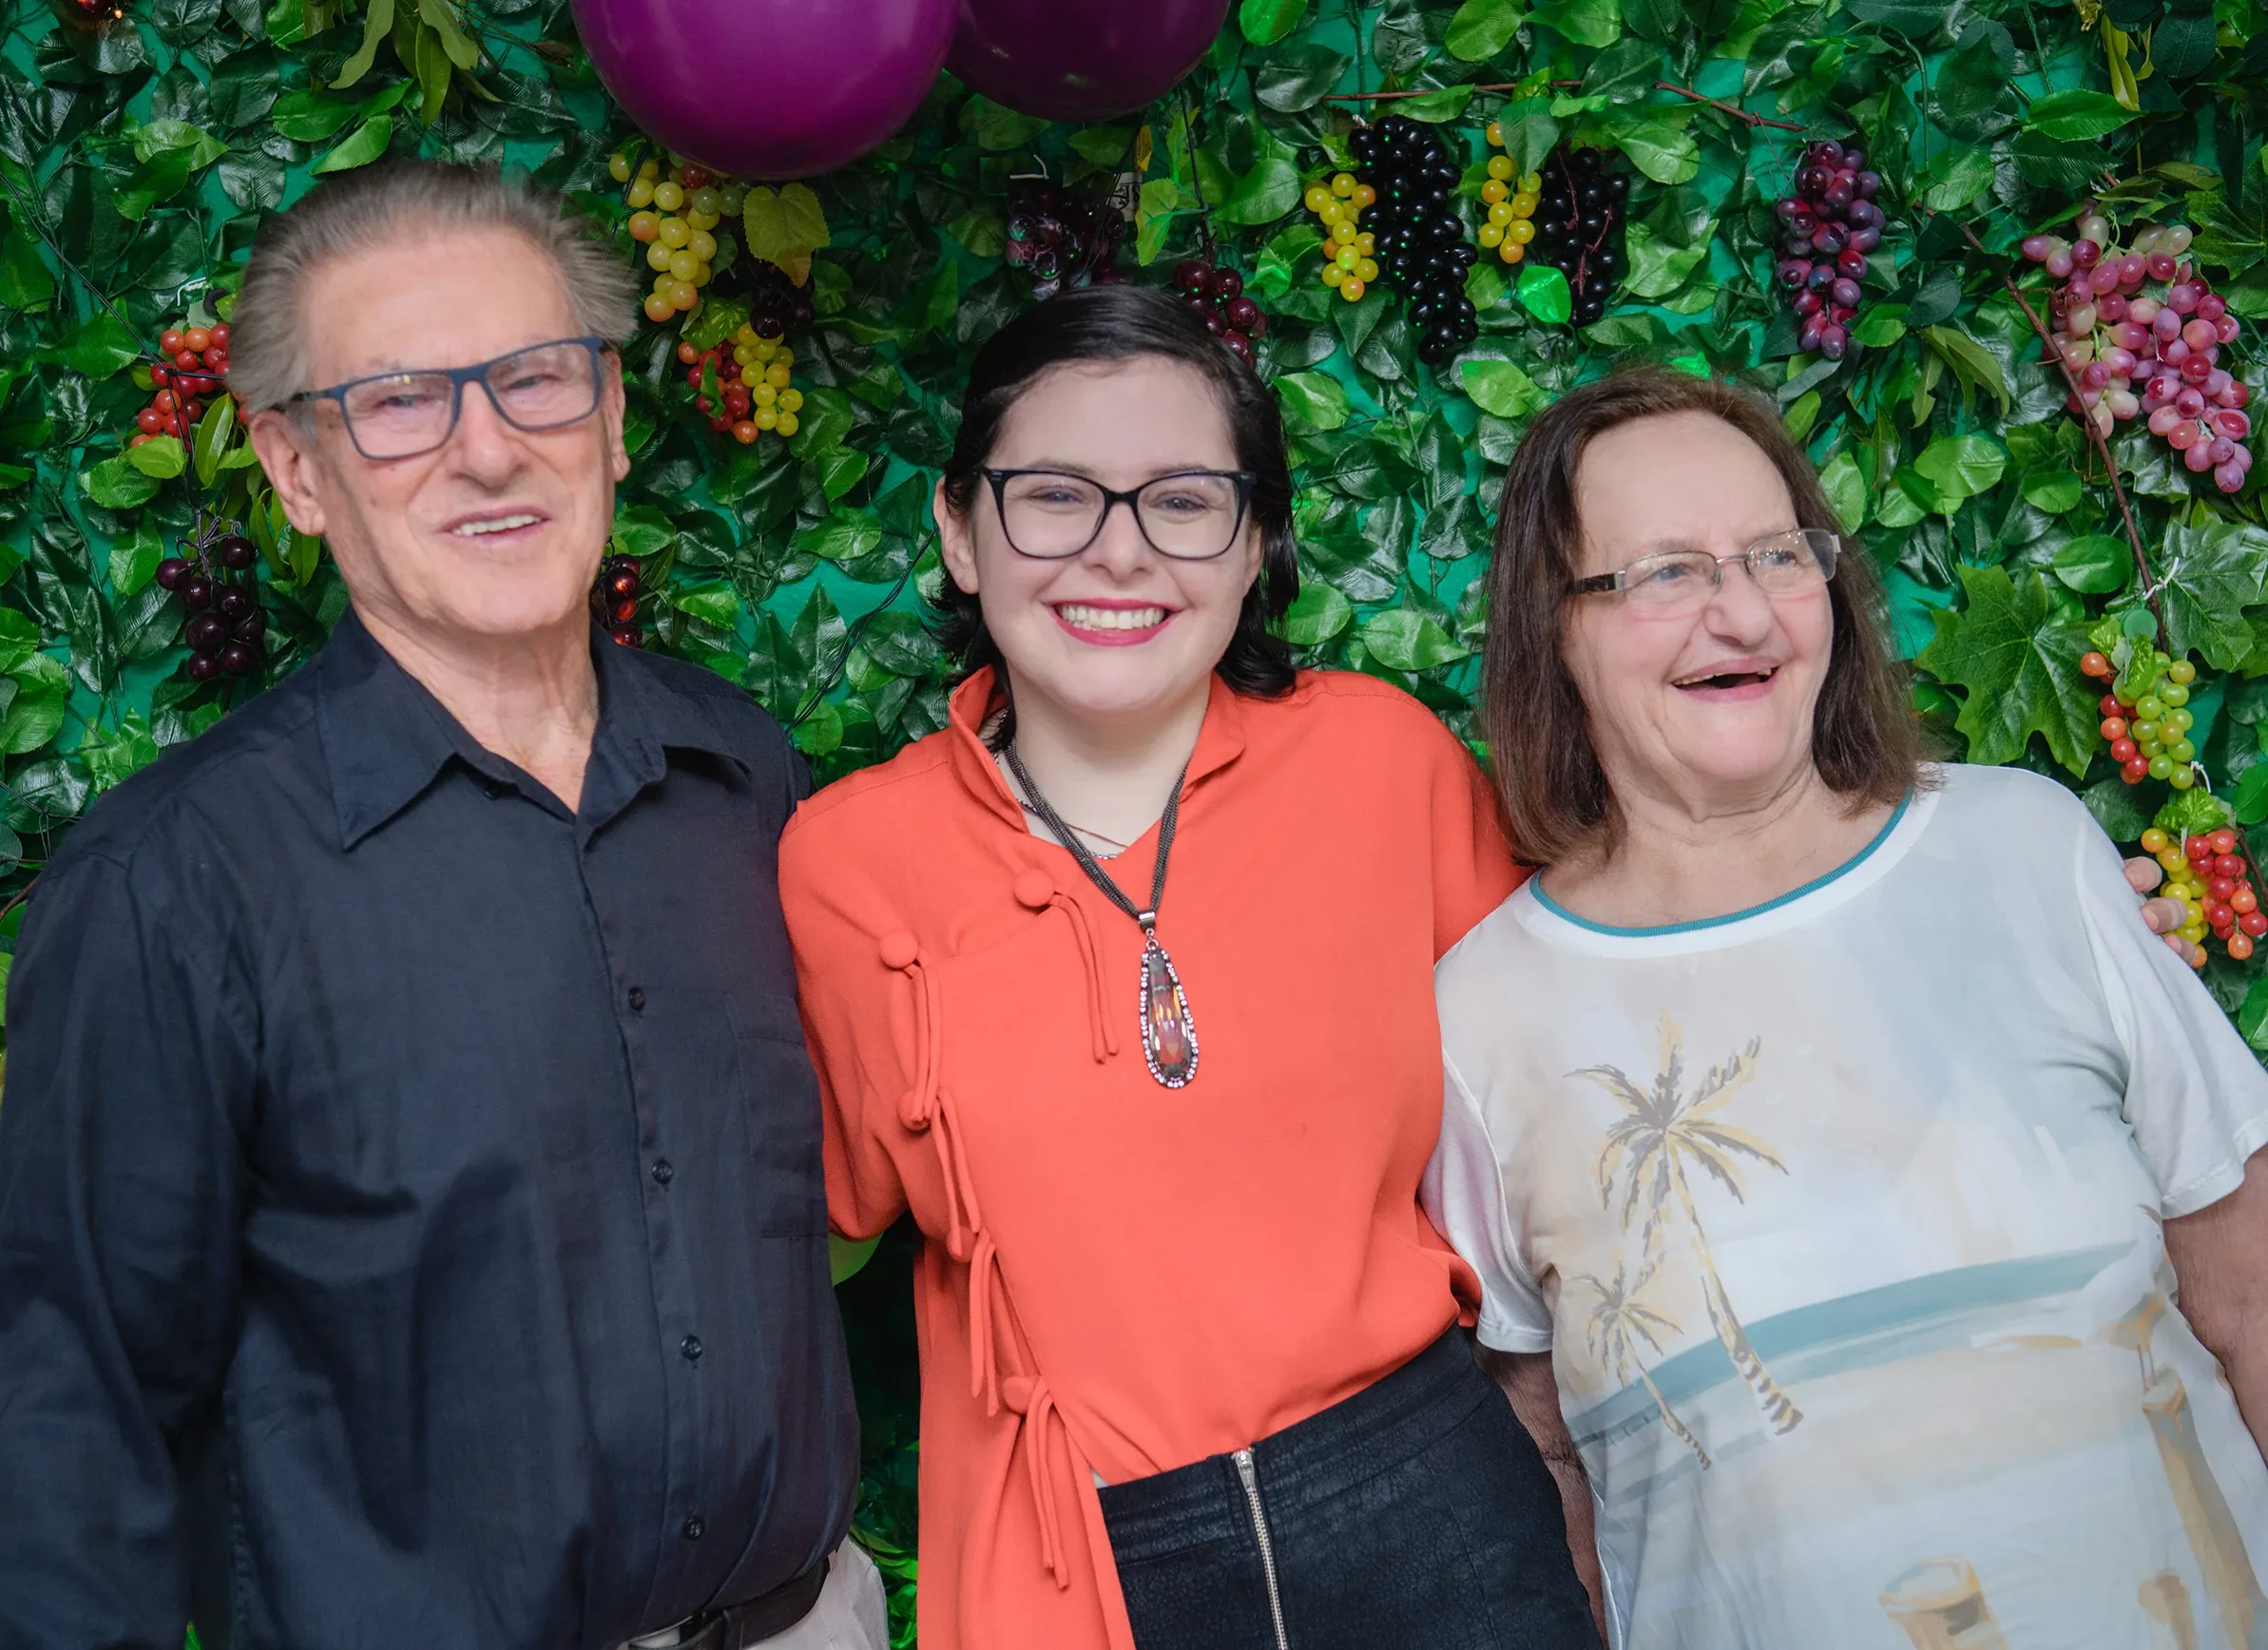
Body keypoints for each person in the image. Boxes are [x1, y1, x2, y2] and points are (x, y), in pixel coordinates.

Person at [0, 163, 883, 1650]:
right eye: (401, 402)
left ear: (608, 420)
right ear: (293, 469)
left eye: (536, 380)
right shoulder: (170, 886)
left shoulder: (741, 776)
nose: (488, 452)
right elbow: (74, 1415)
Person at [778, 285, 1598, 1650]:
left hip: (1422, 1486)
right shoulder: (844, 863)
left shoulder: (1380, 763)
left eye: (1182, 500)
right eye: (1053, 496)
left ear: (1255, 541)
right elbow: (813, 1224)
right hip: (1086, 1554)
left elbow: (1565, 1090)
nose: (1117, 555)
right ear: (958, 530)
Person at [1426, 366, 2268, 1650]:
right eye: (1662, 573)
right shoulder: (1482, 1011)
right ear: (1554, 629)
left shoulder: (2028, 850)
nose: (1741, 611)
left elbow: (2249, 1301)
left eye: (1775, 553)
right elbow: (1545, 1472)